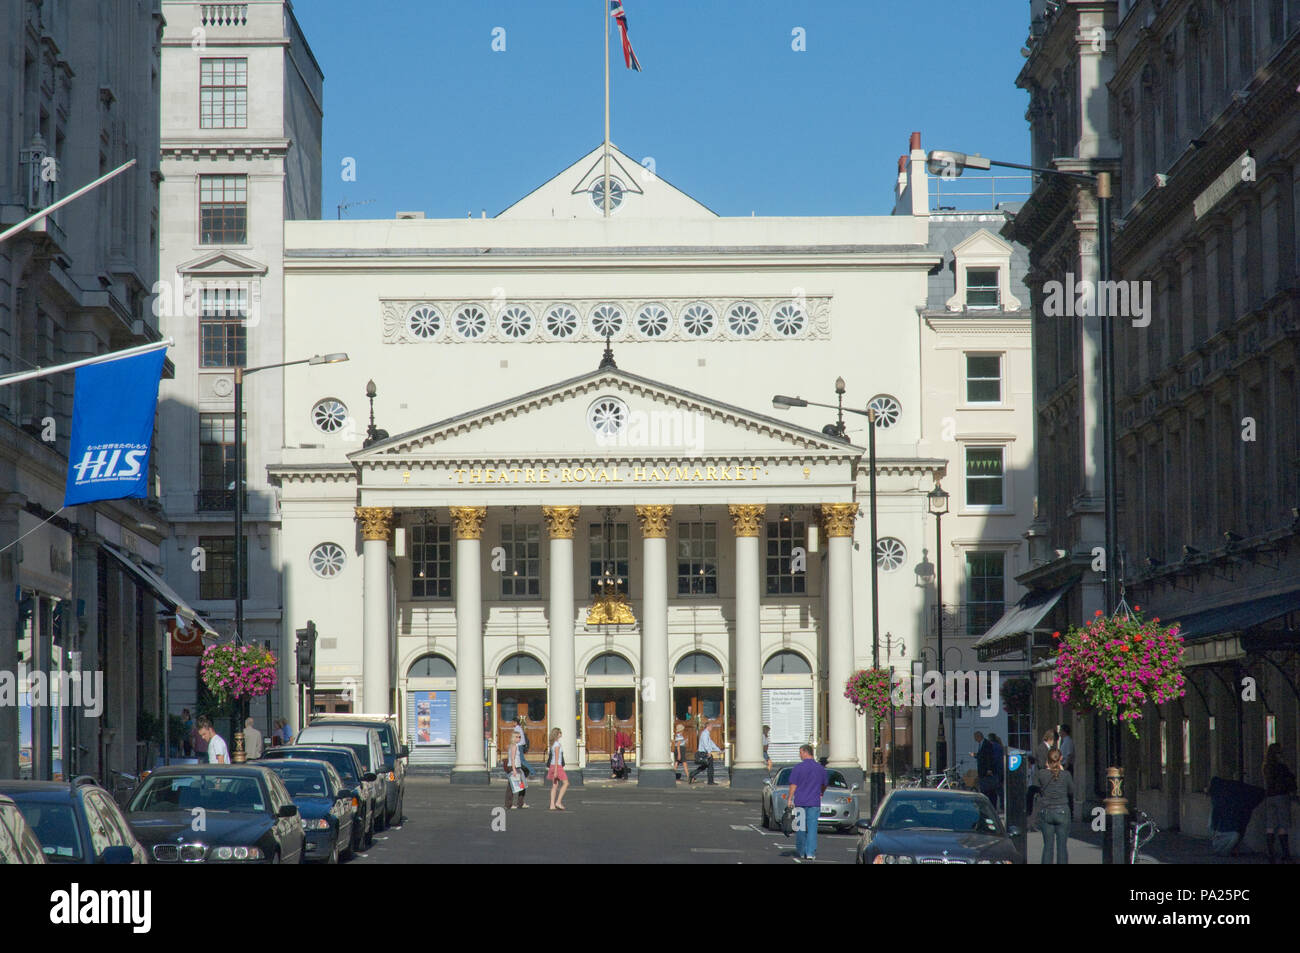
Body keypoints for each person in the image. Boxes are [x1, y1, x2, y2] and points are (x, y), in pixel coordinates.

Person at [786, 744, 827, 862]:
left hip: (800, 801)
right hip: (814, 802)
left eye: (800, 752)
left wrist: (789, 798)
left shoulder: (798, 768)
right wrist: (821, 792)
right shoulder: (820, 768)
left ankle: (801, 850)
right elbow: (824, 784)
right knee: (812, 828)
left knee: (801, 828)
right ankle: (810, 852)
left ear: (805, 752)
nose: (799, 755)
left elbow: (793, 785)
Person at [1035, 748, 1074, 864]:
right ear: (1061, 759)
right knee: (1062, 846)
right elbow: (1072, 791)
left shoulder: (1041, 774)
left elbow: (1036, 788)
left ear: (1047, 760)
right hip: (1062, 810)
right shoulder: (1066, 775)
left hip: (1047, 811)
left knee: (1047, 846)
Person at [1263, 743, 1296, 863]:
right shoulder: (1282, 767)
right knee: (1283, 825)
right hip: (1281, 796)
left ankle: (1270, 855)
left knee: (1270, 825)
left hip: (1269, 797)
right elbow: (1289, 780)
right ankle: (1285, 854)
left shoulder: (1266, 767)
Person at [503, 732, 527, 810]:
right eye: (517, 737)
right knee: (512, 786)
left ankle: (520, 802)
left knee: (522, 785)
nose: (519, 738)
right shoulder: (514, 746)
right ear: (513, 737)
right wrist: (514, 770)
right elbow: (512, 758)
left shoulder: (515, 746)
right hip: (514, 767)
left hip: (517, 767)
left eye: (520, 737)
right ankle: (510, 804)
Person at [547, 727, 569, 810]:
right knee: (566, 783)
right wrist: (556, 770)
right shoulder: (557, 745)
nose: (561, 734)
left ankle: (552, 804)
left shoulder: (553, 744)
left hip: (552, 766)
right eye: (560, 732)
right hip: (557, 766)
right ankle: (558, 802)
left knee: (554, 785)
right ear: (557, 734)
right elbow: (556, 758)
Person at [1057, 724, 1075, 816]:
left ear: (1064, 731)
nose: (1059, 733)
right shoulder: (1064, 741)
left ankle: (1070, 811)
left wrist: (1065, 768)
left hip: (1066, 766)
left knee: (1068, 790)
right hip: (1063, 766)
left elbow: (1069, 755)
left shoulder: (1068, 741)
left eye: (1060, 731)